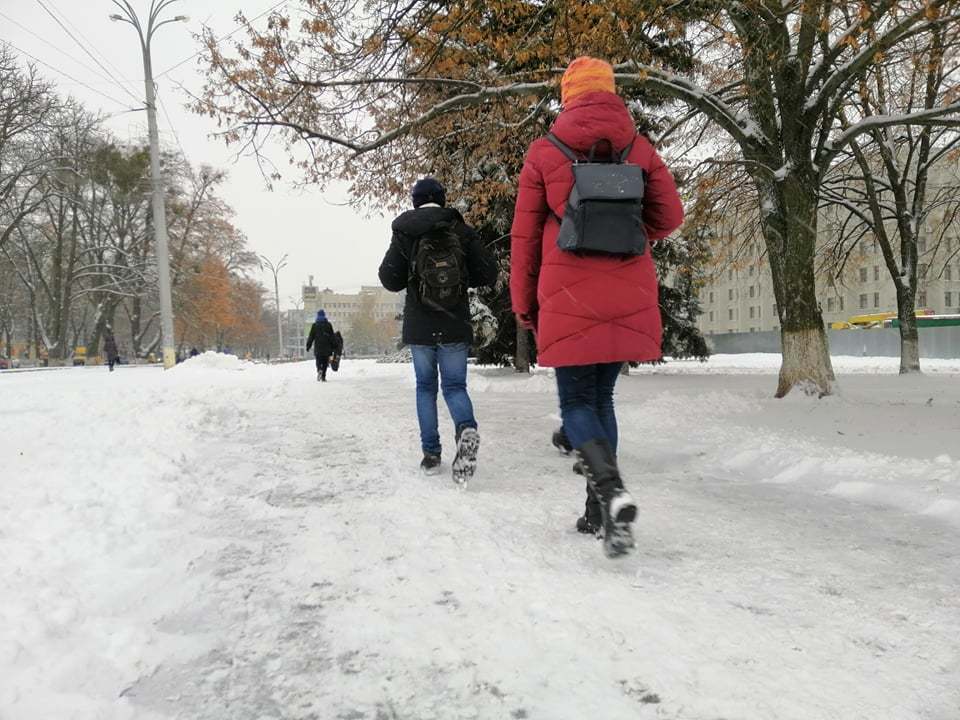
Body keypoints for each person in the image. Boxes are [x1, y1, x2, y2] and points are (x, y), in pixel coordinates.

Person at [510, 56, 684, 557]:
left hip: (567, 294)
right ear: (610, 93)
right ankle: (598, 512)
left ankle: (609, 491)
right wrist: (627, 235)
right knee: (602, 398)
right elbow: (670, 215)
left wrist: (523, 303)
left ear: (568, 96)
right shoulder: (639, 149)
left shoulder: (544, 152)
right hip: (628, 290)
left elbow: (524, 239)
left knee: (576, 404)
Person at [379, 176, 497, 482]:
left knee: (426, 388)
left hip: (420, 325)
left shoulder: (405, 231)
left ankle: (431, 454)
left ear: (415, 201)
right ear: (443, 199)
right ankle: (465, 428)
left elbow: (389, 279)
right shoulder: (459, 228)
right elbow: (487, 272)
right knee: (455, 386)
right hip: (454, 322)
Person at [305, 309, 337, 382]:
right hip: (327, 348)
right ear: (324, 315)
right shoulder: (328, 325)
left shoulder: (315, 325)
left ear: (318, 316)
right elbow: (332, 336)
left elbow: (311, 337)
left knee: (318, 360)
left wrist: (308, 346)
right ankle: (323, 376)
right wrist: (334, 345)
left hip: (318, 347)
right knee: (325, 362)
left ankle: (319, 369)